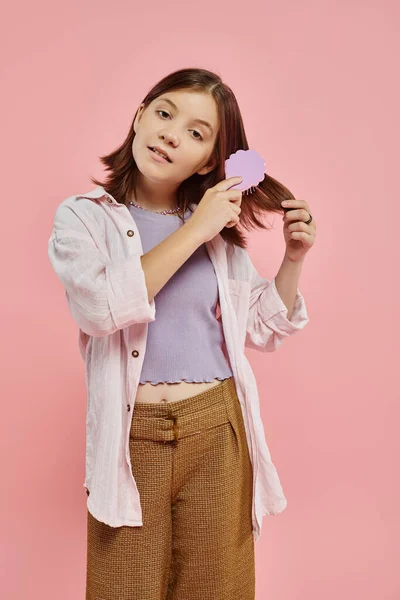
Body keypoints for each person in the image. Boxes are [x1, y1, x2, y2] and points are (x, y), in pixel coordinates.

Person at [48, 67, 316, 600]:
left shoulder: (219, 236)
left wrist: (293, 258)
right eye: (165, 113)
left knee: (218, 589)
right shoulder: (84, 220)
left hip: (216, 430)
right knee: (125, 588)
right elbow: (102, 308)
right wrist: (197, 228)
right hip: (131, 439)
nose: (172, 133)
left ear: (210, 161)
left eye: (197, 133)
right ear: (139, 116)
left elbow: (262, 328)